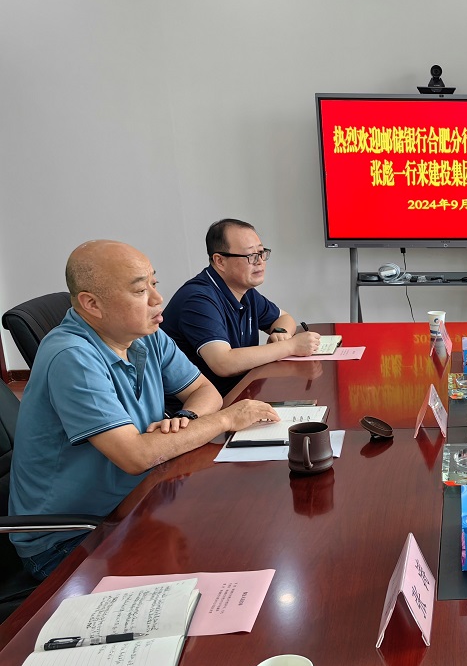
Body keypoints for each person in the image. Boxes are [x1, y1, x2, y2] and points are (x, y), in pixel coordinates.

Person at [8, 240, 279, 579]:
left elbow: (203, 390)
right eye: (140, 291)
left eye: (154, 283)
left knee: (244, 529)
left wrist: (186, 419)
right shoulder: (72, 356)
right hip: (72, 538)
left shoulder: (145, 334)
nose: (157, 298)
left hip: (138, 499)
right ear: (91, 304)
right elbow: (135, 456)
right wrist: (225, 419)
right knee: (218, 561)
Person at [162, 218, 322, 395]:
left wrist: (280, 333)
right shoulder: (198, 300)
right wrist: (290, 347)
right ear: (220, 261)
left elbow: (283, 318)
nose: (260, 261)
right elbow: (223, 363)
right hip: (201, 405)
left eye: (261, 252)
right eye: (250, 256)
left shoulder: (244, 291)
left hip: (241, 392)